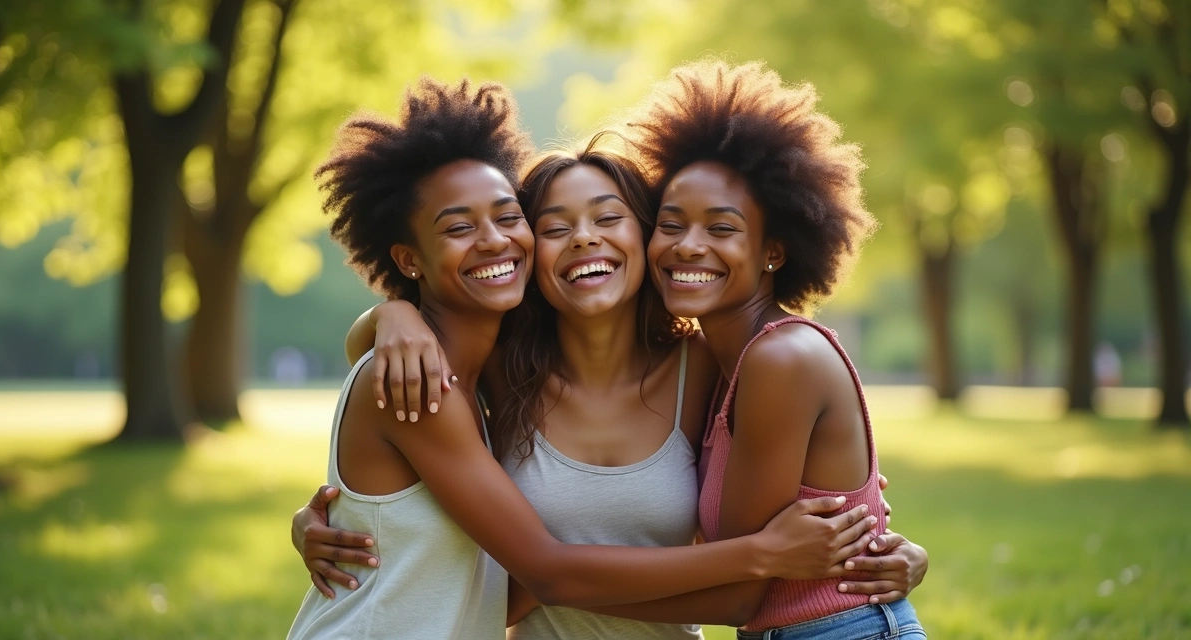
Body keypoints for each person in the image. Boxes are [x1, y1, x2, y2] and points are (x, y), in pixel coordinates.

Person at [287, 76, 882, 640]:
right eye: (554, 226)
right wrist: (392, 314)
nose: (584, 238)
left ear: (645, 238)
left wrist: (891, 548)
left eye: (607, 217)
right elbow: (431, 503)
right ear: (534, 254)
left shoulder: (705, 367)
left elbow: (806, 474)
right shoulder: (499, 370)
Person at [622, 58, 928, 639]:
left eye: (721, 228)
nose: (689, 246)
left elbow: (737, 593)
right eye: (671, 223)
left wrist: (555, 593)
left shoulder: (781, 360)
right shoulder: (717, 360)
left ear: (773, 252)